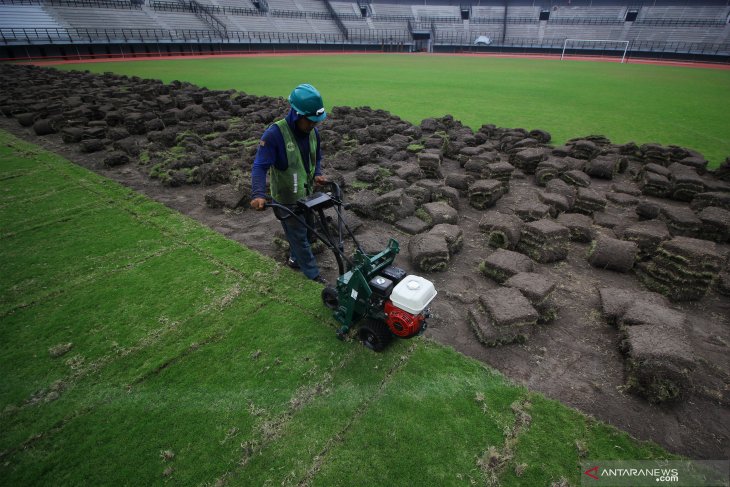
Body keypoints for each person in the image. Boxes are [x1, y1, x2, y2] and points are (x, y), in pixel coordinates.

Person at [250, 83, 328, 284]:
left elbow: (316, 156)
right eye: (310, 121)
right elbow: (259, 166)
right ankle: (313, 276)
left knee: (309, 232)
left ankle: (295, 258)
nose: (313, 125)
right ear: (296, 114)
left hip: (307, 193)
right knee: (300, 238)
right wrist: (258, 194)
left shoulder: (313, 132)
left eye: (316, 121)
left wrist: (317, 173)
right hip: (287, 198)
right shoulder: (274, 134)